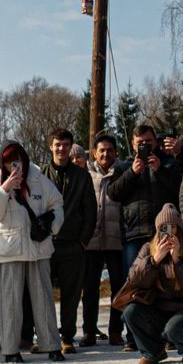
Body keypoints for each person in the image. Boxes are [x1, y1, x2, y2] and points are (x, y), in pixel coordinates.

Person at [0, 140, 62, 363]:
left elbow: (57, 204)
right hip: (8, 250)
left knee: (43, 301)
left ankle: (51, 345)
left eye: (17, 159)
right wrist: (4, 189)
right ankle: (10, 349)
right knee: (10, 302)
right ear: (1, 163)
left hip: (38, 248)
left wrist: (51, 226)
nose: (14, 165)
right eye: (8, 161)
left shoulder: (38, 178)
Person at [108, 124, 180, 348]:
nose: (145, 146)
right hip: (134, 232)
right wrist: (133, 172)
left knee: (166, 282)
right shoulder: (123, 166)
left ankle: (168, 335)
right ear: (132, 143)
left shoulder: (168, 163)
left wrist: (161, 171)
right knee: (135, 283)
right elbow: (113, 193)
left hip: (163, 231)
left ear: (155, 141)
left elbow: (179, 190)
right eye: (140, 142)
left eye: (148, 141)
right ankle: (134, 336)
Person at [116, 204, 183, 364]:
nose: (169, 233)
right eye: (164, 228)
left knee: (173, 328)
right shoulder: (147, 249)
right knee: (131, 312)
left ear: (179, 230)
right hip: (157, 308)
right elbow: (135, 279)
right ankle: (153, 352)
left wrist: (178, 261)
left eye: (174, 228)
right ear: (158, 230)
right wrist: (154, 260)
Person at [38, 127, 96, 360]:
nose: (61, 149)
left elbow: (90, 211)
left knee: (71, 295)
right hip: (45, 244)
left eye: (65, 145)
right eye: (57, 144)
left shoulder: (82, 176)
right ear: (50, 146)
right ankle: (44, 337)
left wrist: (83, 241)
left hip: (72, 244)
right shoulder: (40, 174)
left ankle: (66, 338)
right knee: (42, 294)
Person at [79, 134, 127, 348]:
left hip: (117, 239)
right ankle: (89, 331)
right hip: (91, 240)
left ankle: (116, 330)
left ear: (115, 152)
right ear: (94, 153)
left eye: (109, 150)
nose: (105, 153)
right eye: (101, 150)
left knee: (119, 286)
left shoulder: (124, 172)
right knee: (89, 288)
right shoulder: (85, 174)